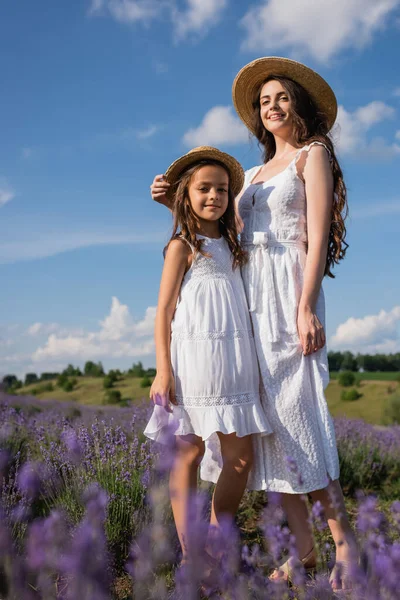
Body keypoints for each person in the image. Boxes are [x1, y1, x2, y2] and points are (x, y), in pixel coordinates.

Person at [150, 57, 357, 591]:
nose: (272, 107)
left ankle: (347, 546)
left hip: (288, 297)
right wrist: (171, 194)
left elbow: (312, 237)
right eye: (264, 101)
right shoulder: (254, 174)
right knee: (268, 431)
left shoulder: (313, 155)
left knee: (299, 418)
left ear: (301, 105)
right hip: (247, 308)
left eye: (282, 97)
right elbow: (213, 233)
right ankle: (304, 550)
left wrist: (307, 303)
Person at [144, 146, 272, 565]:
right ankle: (190, 553)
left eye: (221, 189)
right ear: (188, 193)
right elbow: (163, 311)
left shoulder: (233, 243)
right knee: (189, 451)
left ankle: (217, 538)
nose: (214, 196)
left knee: (240, 457)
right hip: (193, 360)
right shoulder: (183, 245)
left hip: (235, 359)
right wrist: (164, 372)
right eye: (204, 189)